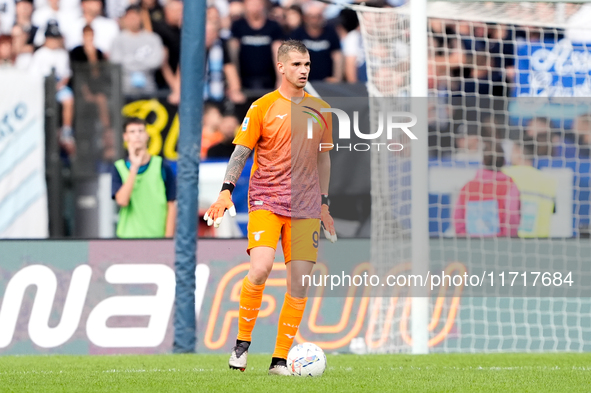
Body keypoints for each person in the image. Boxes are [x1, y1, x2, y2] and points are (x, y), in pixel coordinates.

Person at [203, 39, 337, 376]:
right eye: (296, 65)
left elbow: (324, 158)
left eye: (306, 64)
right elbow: (241, 153)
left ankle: (279, 360)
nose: (303, 70)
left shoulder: (322, 111)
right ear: (281, 67)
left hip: (306, 206)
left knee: (300, 282)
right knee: (261, 268)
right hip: (267, 199)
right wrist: (225, 192)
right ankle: (242, 343)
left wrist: (323, 203)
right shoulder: (262, 107)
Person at [112, 117, 176, 238]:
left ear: (147, 135)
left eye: (141, 131)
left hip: (157, 237)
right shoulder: (119, 167)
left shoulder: (162, 166)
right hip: (128, 238)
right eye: (132, 132)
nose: (137, 135)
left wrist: (168, 238)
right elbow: (122, 201)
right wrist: (134, 167)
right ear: (125, 136)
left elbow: (171, 204)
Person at [453, 140, 520, 237]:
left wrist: (464, 237)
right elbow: (512, 214)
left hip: (471, 244)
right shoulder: (509, 185)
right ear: (504, 161)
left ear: (483, 161)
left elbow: (458, 217)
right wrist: (508, 238)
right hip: (499, 244)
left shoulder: (467, 187)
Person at [502, 139, 556, 238]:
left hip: (513, 241)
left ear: (518, 152)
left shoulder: (505, 175)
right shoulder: (548, 181)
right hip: (541, 241)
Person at [110, 4, 165, 95]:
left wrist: (131, 61)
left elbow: (156, 61)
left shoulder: (153, 38)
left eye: (135, 16)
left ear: (141, 18)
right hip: (124, 91)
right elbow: (116, 62)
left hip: (149, 89)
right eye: (130, 17)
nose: (133, 20)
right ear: (124, 19)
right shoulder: (117, 40)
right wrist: (140, 62)